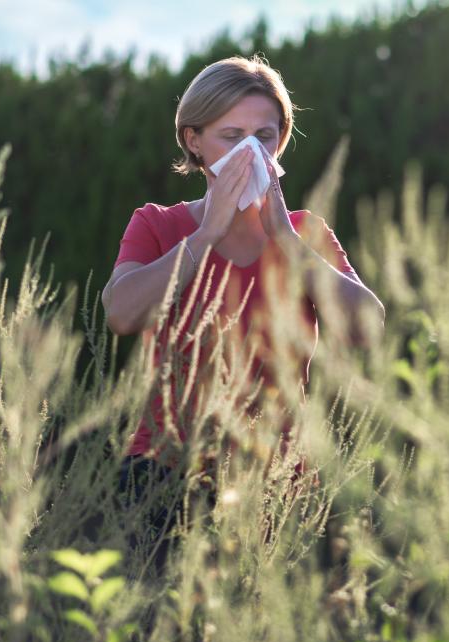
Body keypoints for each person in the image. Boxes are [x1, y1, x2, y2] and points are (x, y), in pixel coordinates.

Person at [101, 55, 385, 550]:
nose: (251, 153)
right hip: (164, 476)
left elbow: (368, 327)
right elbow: (121, 313)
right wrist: (207, 232)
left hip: (278, 482)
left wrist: (285, 238)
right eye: (231, 138)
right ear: (194, 141)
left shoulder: (304, 233)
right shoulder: (157, 225)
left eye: (265, 137)